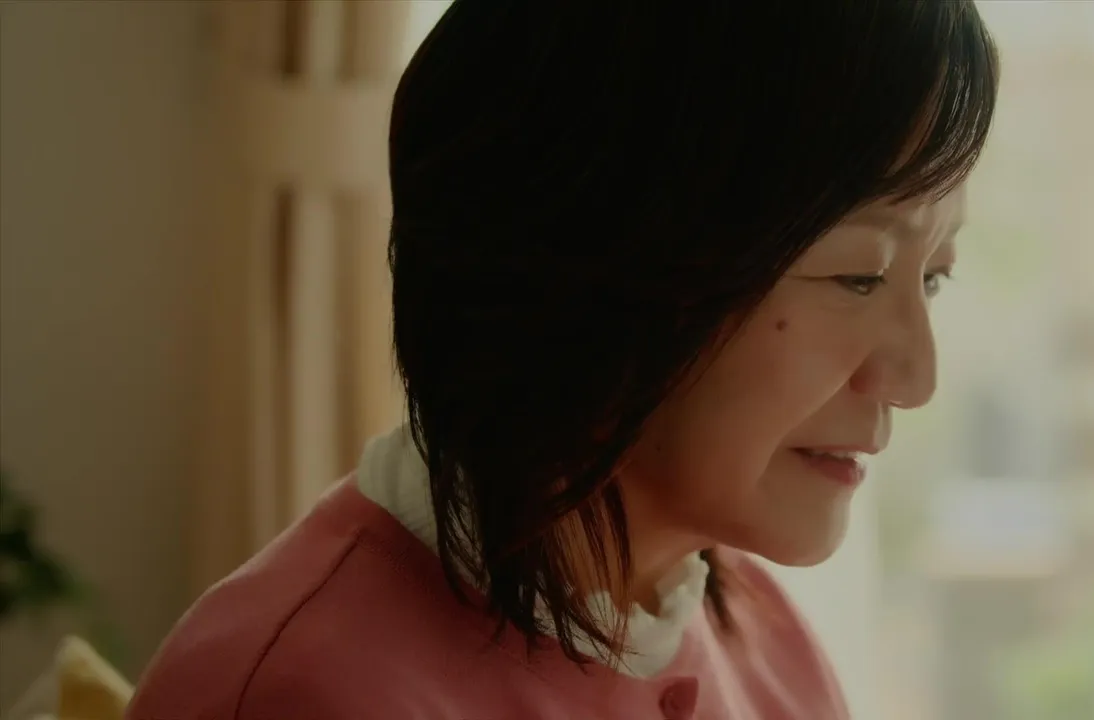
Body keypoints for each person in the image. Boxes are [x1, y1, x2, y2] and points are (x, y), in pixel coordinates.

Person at [126, 1, 999, 718]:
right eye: (857, 275)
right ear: (607, 253)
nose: (913, 380)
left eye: (933, 277)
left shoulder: (765, 643)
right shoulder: (306, 693)